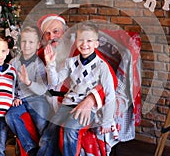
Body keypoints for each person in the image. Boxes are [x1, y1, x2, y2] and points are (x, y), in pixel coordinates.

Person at [38, 22, 117, 156]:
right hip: (67, 104)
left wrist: (107, 121)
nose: (84, 43)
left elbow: (110, 93)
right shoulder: (71, 62)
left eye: (89, 40)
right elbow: (54, 82)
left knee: (69, 130)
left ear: (96, 44)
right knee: (49, 133)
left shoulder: (101, 66)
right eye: (81, 39)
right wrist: (50, 64)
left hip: (86, 108)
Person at [5, 25, 51, 156]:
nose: (27, 45)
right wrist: (14, 97)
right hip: (20, 99)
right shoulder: (13, 63)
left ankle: (46, 151)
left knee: (42, 121)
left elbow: (42, 89)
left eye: (31, 42)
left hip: (36, 98)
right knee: (10, 116)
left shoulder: (39, 64)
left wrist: (28, 82)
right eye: (24, 41)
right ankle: (31, 149)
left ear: (37, 45)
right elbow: (9, 85)